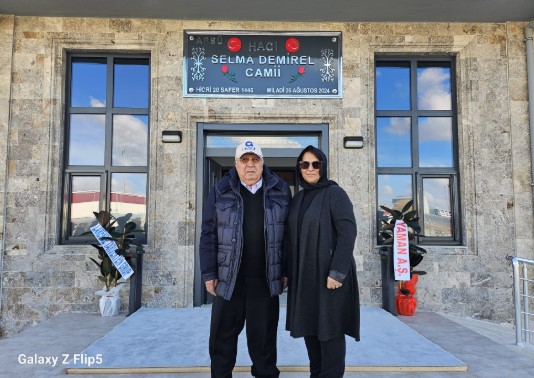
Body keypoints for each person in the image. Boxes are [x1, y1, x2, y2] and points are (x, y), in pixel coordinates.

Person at [200, 140, 291, 378]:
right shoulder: (220, 190)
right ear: (236, 164)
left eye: (255, 159)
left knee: (263, 344)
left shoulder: (280, 190)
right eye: (244, 159)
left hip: (265, 280)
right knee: (222, 341)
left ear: (262, 163)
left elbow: (289, 235)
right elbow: (208, 232)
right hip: (229, 280)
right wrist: (209, 273)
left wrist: (286, 270)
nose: (250, 165)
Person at [286, 145, 360, 378]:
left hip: (330, 277)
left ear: (323, 166)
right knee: (311, 330)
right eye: (305, 164)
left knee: (330, 332)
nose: (310, 168)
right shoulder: (298, 198)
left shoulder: (335, 193)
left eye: (315, 164)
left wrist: (337, 272)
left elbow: (348, 233)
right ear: (299, 168)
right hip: (305, 277)